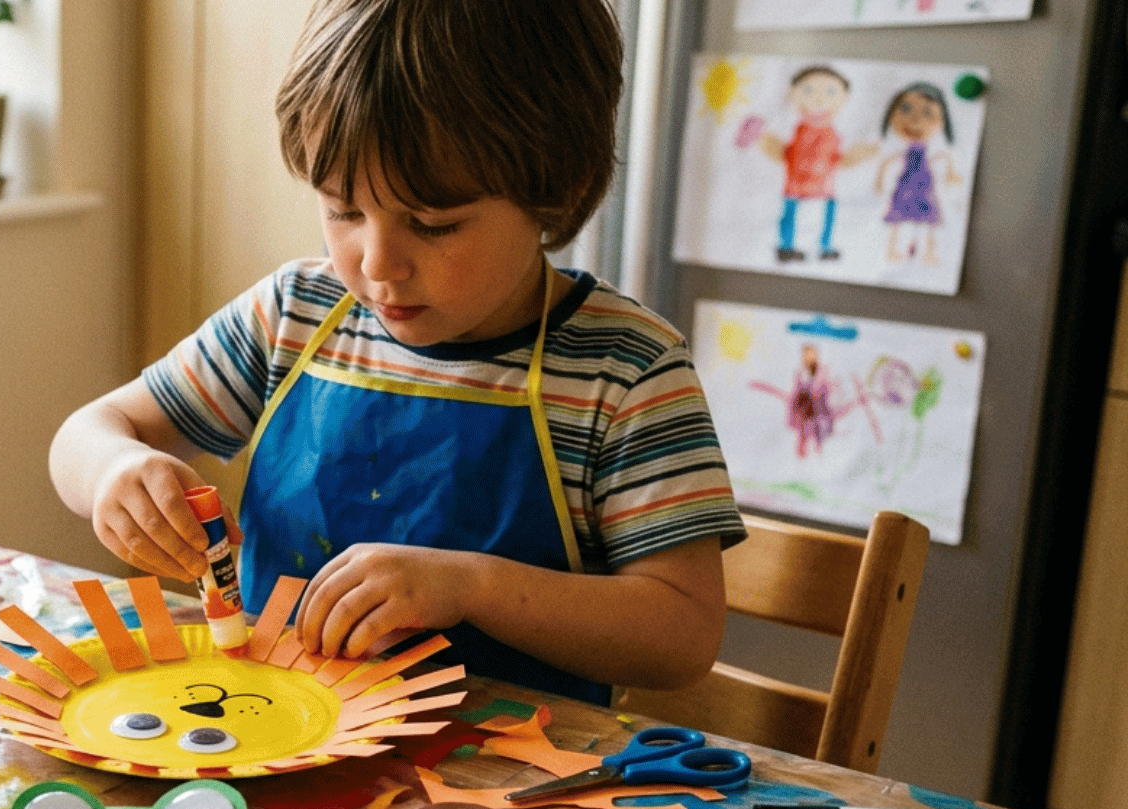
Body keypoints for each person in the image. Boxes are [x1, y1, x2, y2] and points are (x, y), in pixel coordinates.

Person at [48, 0, 744, 704]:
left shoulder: (624, 372)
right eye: (343, 210)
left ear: (553, 187)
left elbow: (682, 636)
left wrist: (472, 586)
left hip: (498, 784)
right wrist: (116, 471)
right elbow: (90, 432)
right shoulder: (294, 314)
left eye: (432, 224)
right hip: (278, 738)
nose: (378, 262)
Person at [758, 65, 875, 263]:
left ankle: (824, 247)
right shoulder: (799, 131)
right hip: (796, 187)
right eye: (808, 90)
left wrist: (858, 155)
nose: (819, 99)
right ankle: (787, 248)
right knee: (791, 216)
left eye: (831, 92)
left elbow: (838, 158)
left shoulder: (832, 135)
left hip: (824, 188)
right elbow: (786, 152)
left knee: (826, 216)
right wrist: (765, 140)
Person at [875, 82, 961, 266]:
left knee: (928, 220)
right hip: (906, 186)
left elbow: (939, 158)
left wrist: (951, 172)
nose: (915, 119)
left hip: (924, 186)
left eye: (927, 113)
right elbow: (890, 161)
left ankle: (928, 252)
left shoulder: (932, 150)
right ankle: (891, 251)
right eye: (905, 109)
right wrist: (880, 179)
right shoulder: (901, 150)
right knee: (898, 217)